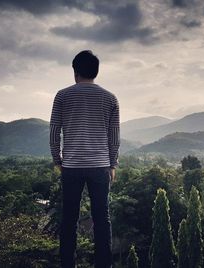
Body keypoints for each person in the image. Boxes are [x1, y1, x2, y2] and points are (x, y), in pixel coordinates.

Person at [50, 50, 119, 268]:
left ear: (75, 71)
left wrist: (57, 160)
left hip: (71, 166)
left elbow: (54, 131)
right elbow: (114, 137)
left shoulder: (62, 96)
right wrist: (113, 163)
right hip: (100, 167)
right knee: (102, 220)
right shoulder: (110, 98)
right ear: (96, 72)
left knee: (69, 220)